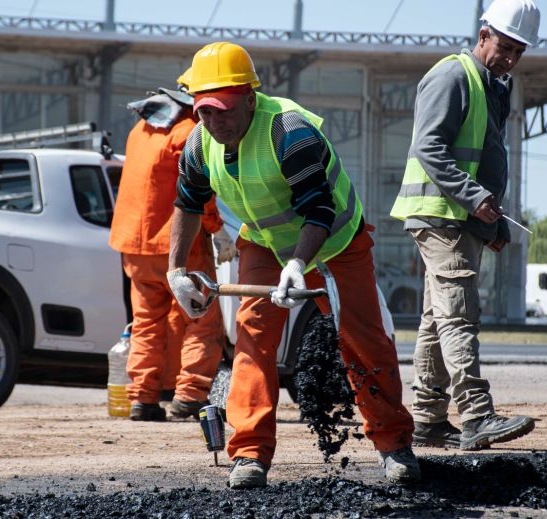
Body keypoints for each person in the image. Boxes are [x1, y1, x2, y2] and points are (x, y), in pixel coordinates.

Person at [167, 41, 419, 489]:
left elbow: (319, 209)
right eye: (203, 111)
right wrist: (175, 271)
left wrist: (299, 263)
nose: (213, 121)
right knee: (253, 338)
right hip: (264, 243)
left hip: (336, 241)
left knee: (363, 339)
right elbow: (187, 204)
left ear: (250, 98)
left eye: (222, 110)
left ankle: (394, 444)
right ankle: (249, 454)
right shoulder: (198, 142)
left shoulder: (289, 132)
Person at [390, 0, 541, 451]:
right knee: (459, 313)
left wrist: (493, 223)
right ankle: (476, 415)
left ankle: (429, 419)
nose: (510, 58)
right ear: (483, 35)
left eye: (519, 52)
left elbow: (486, 156)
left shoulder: (493, 85)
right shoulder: (452, 76)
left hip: (462, 218)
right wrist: (477, 200)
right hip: (442, 216)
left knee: (438, 320)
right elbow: (430, 148)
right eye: (505, 47)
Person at [109, 72, 237, 422]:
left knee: (146, 322)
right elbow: (197, 193)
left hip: (134, 246)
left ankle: (142, 400)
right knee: (202, 320)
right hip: (177, 248)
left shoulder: (140, 131)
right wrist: (219, 231)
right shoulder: (188, 134)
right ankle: (190, 397)